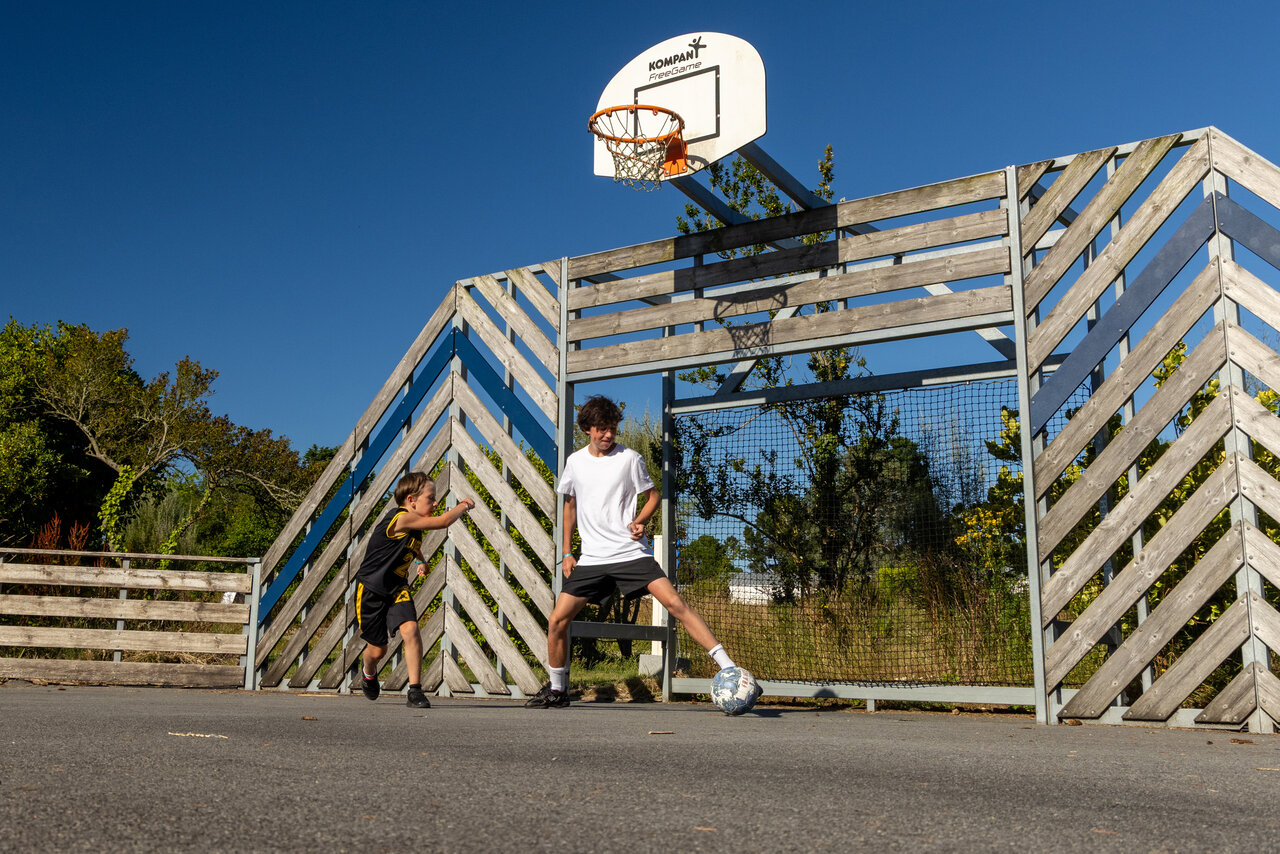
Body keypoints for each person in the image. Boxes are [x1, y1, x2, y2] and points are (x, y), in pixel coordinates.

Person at [525, 395, 739, 709]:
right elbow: (569, 507)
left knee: (675, 602)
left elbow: (652, 497)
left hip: (629, 552)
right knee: (558, 620)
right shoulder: (575, 463)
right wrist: (568, 552)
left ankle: (729, 667)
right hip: (593, 558)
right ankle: (558, 691)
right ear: (587, 429)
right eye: (601, 429)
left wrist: (640, 521)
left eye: (612, 428)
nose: (608, 435)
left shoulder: (630, 459)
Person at [355, 471, 474, 708]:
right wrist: (464, 505)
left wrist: (420, 560)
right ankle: (368, 671)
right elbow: (442, 522)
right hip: (371, 589)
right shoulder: (399, 518)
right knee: (378, 651)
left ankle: (415, 690)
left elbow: (409, 543)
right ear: (411, 501)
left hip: (397, 587)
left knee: (411, 630)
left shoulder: (413, 526)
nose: (436, 502)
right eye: (431, 498)